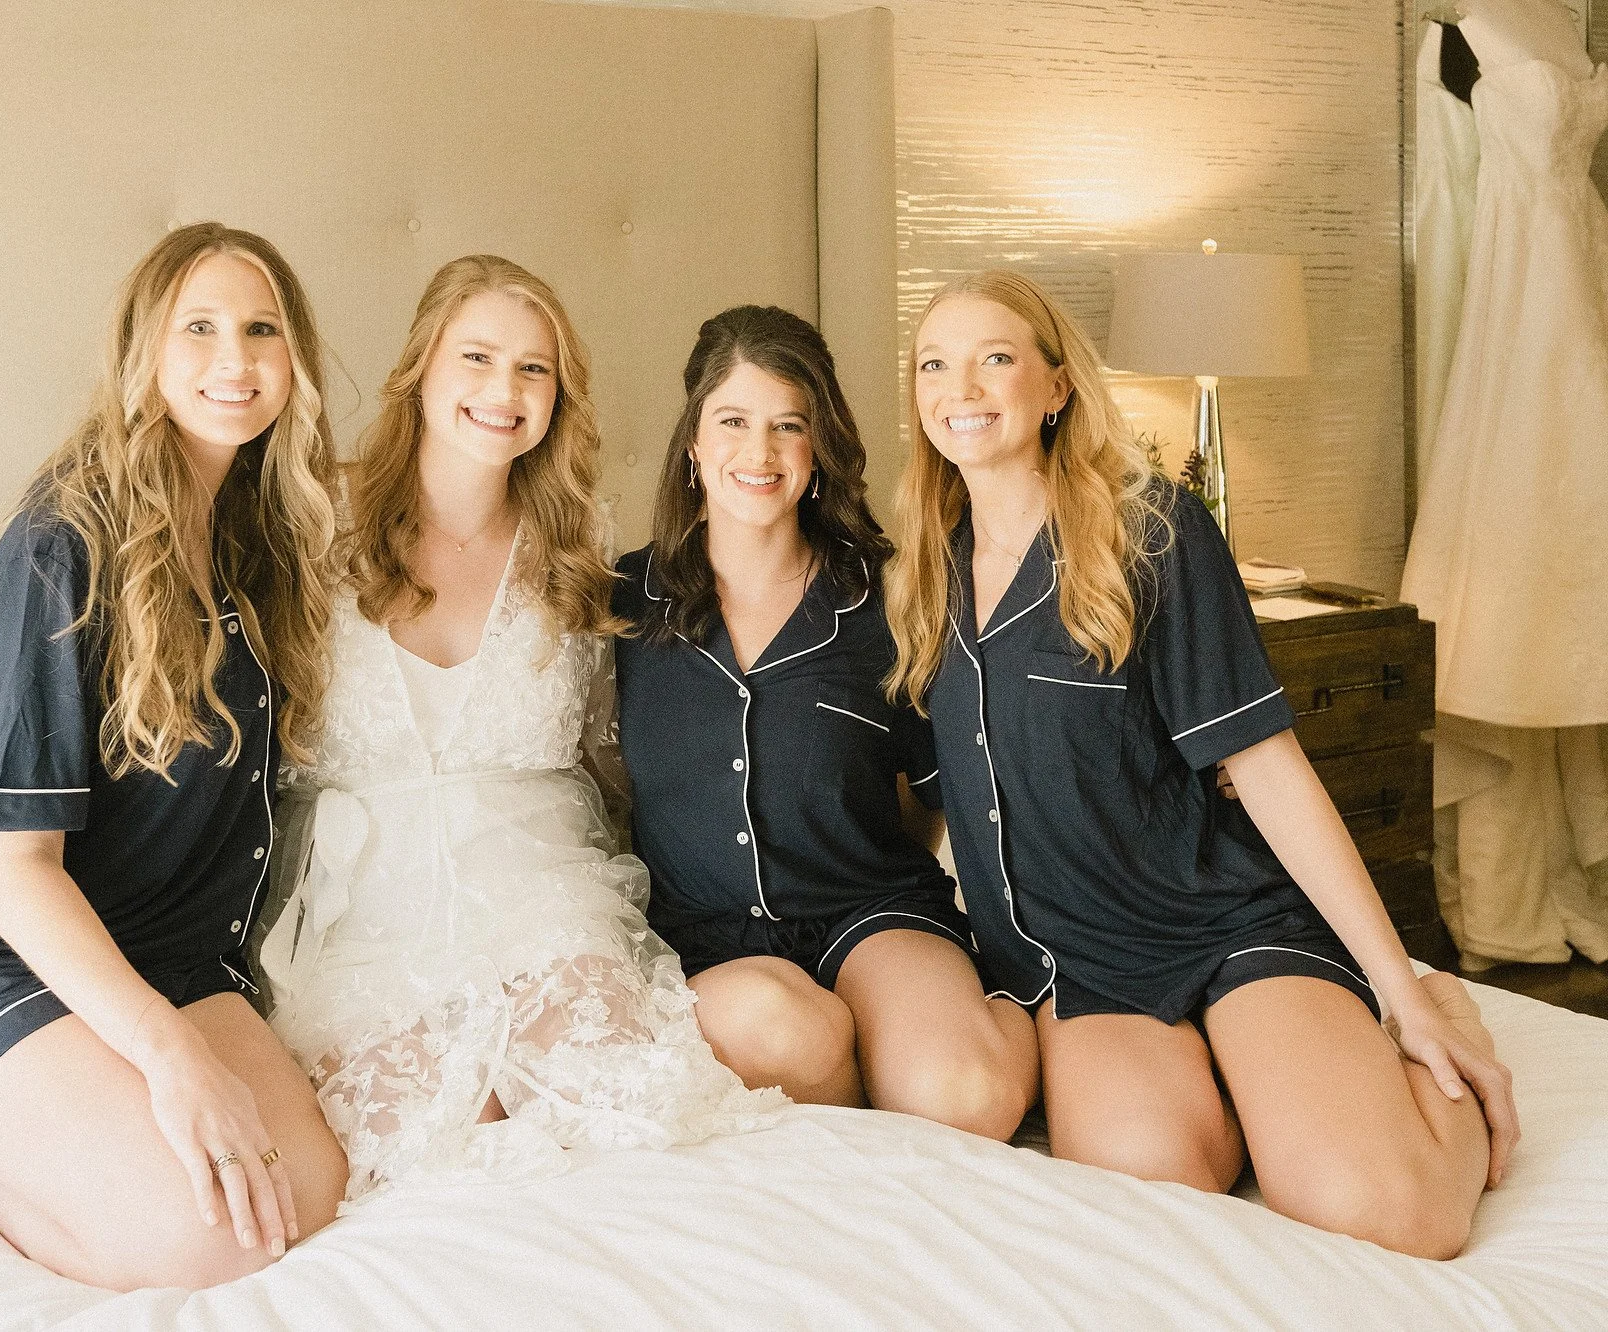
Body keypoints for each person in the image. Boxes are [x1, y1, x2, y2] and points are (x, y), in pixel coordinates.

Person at [884, 269, 1520, 1259]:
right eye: (933, 364)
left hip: (1221, 919)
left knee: (1391, 1214)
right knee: (1152, 1184)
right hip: (1079, 964)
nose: (957, 386)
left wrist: (1396, 988)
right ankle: (1259, 1081)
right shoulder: (919, 568)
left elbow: (1264, 769)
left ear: (1054, 387)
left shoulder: (1150, 533)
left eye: (993, 358)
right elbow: (935, 795)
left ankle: (1431, 1015)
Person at [0, 224, 348, 1291]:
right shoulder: (59, 545)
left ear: (296, 358)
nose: (236, 360)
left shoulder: (263, 532)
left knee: (303, 1192)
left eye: (262, 329)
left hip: (167, 950)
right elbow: (16, 871)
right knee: (203, 1239)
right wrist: (171, 1059)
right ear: (145, 354)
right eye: (201, 329)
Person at [257, 255, 784, 1199]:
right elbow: (183, 667)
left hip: (551, 911)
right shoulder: (309, 524)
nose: (505, 390)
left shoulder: (581, 547)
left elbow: (631, 747)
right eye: (478, 357)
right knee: (424, 1151)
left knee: (627, 1129)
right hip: (362, 931)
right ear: (420, 367)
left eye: (533, 369)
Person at [612, 306, 1037, 1138]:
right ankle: (864, 1089)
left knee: (967, 1100)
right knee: (790, 1034)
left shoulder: (890, 596)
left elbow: (945, 790)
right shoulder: (624, 604)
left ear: (819, 450)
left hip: (868, 906)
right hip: (705, 939)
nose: (759, 453)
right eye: (732, 421)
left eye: (788, 426)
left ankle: (1016, 1024)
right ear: (693, 445)